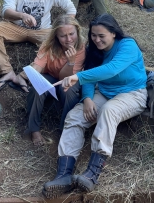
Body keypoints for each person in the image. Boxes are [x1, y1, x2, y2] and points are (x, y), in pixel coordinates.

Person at [42, 14, 147, 198]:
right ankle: (64, 174)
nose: (97, 40)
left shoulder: (128, 45)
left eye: (101, 36)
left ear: (113, 33)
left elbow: (112, 68)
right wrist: (88, 98)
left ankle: (92, 173)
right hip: (104, 92)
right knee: (74, 117)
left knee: (109, 111)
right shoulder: (94, 50)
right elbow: (91, 74)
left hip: (132, 93)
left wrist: (78, 77)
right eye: (93, 35)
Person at [16, 15, 86, 145]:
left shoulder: (81, 48)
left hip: (68, 78)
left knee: (68, 90)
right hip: (51, 76)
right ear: (56, 36)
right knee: (38, 87)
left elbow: (65, 79)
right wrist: (32, 75)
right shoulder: (48, 45)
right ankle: (34, 128)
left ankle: (65, 128)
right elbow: (39, 65)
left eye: (71, 34)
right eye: (63, 36)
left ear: (77, 31)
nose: (68, 39)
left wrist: (70, 63)